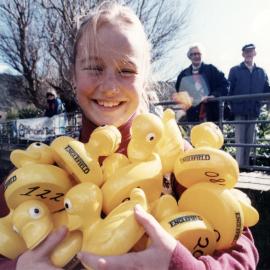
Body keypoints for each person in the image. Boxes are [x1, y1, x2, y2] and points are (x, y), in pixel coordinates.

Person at [0, 2, 258, 270]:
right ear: (73, 75)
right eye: (94, 68)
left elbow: (242, 253)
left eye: (126, 71)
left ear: (144, 77)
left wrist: (182, 264)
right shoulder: (42, 166)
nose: (110, 87)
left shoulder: (183, 159)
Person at [228, 43, 270, 168]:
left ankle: (245, 167)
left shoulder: (261, 72)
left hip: (253, 110)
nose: (249, 54)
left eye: (251, 52)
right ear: (243, 54)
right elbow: (229, 89)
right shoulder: (235, 70)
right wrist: (231, 106)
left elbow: (266, 90)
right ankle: (239, 168)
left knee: (250, 141)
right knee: (240, 141)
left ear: (255, 54)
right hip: (239, 110)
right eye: (246, 52)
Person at [174, 44, 229, 122]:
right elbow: (180, 91)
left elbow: (225, 85)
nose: (196, 56)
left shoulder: (211, 69)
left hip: (212, 112)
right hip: (193, 113)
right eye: (193, 54)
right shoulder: (183, 74)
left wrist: (213, 95)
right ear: (189, 57)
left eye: (198, 54)